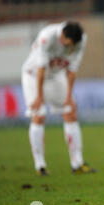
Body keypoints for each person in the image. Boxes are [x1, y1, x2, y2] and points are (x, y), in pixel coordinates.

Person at [21, 21, 96, 175]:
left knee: (71, 112)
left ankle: (78, 163)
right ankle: (40, 165)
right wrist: (39, 97)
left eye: (71, 45)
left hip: (55, 76)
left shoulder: (81, 40)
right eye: (67, 44)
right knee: (39, 115)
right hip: (33, 75)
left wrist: (69, 97)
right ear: (61, 35)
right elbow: (41, 69)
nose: (69, 48)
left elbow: (72, 70)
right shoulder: (46, 37)